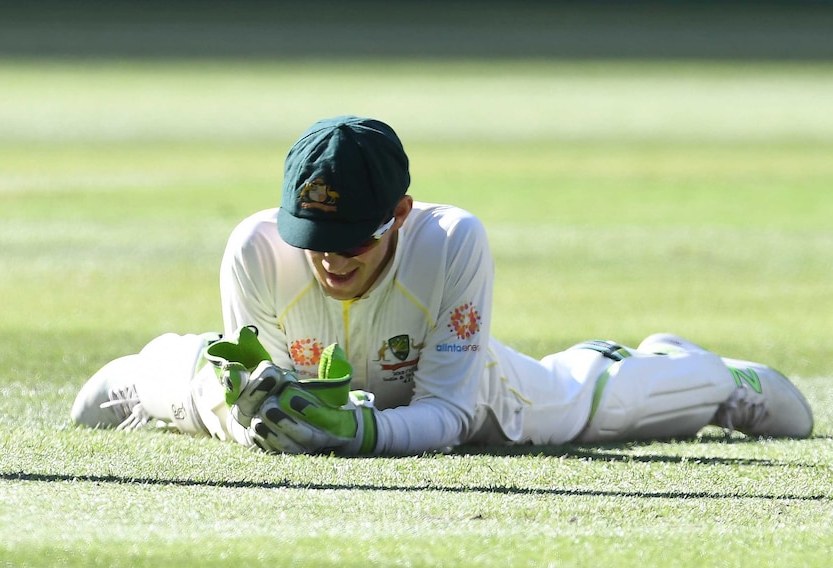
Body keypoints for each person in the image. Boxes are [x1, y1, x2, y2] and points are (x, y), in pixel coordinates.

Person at [71, 115, 814, 455]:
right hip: (330, 385)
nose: (329, 260)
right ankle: (148, 371)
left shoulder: (454, 241)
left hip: (469, 389)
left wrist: (360, 432)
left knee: (584, 408)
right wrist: (261, 415)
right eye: (314, 239)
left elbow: (449, 413)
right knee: (192, 383)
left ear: (399, 213)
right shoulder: (254, 249)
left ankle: (705, 374)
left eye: (352, 238)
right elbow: (267, 391)